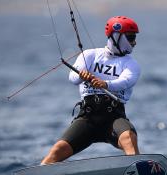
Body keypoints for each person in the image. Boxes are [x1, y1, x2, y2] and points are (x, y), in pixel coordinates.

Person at [41, 16, 141, 165]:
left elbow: (126, 81)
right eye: (131, 38)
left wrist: (105, 84)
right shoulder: (89, 55)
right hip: (88, 118)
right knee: (57, 150)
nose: (134, 43)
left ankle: (138, 169)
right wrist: (82, 75)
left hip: (113, 117)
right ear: (116, 36)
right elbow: (73, 78)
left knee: (129, 138)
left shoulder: (131, 63)